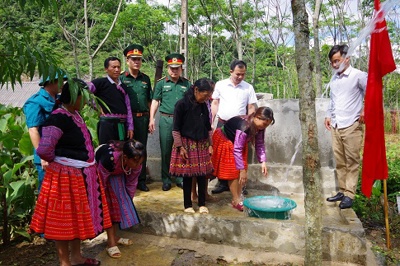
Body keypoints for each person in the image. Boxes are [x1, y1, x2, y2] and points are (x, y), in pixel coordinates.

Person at [30, 79, 112, 266]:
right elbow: (44, 149)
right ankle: (65, 261)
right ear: (74, 96)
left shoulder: (74, 114)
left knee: (76, 219)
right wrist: (62, 164)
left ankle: (76, 257)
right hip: (66, 176)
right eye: (83, 97)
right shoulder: (58, 117)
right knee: (63, 220)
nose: (85, 102)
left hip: (80, 174)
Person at [324, 44, 367, 209]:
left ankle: (350, 194)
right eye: (332, 62)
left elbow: (373, 92)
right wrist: (328, 115)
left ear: (347, 58)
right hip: (336, 124)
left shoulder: (359, 76)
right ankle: (342, 191)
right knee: (340, 161)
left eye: (337, 61)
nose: (335, 65)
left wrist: (365, 110)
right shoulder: (334, 79)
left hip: (352, 124)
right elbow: (333, 100)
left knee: (352, 161)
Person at [212, 107, 274, 211]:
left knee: (243, 168)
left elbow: (259, 144)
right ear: (257, 118)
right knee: (233, 171)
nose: (265, 127)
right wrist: (241, 170)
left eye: (267, 125)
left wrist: (263, 162)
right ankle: (236, 200)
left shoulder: (260, 127)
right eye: (264, 124)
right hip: (225, 140)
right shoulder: (244, 126)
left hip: (238, 144)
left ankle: (239, 197)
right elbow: (237, 150)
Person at [210, 59, 258, 194]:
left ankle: (241, 185)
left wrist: (250, 125)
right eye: (238, 74)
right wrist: (211, 123)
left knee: (240, 155)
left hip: (240, 128)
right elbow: (215, 103)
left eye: (243, 74)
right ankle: (222, 183)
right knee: (221, 155)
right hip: (223, 124)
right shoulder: (221, 85)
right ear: (231, 71)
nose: (240, 77)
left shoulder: (248, 87)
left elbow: (251, 107)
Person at [169, 78, 214, 214]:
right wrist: (180, 147)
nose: (206, 98)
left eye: (208, 96)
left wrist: (210, 144)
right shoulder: (181, 105)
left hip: (201, 144)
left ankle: (201, 204)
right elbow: (175, 129)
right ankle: (187, 205)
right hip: (185, 144)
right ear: (195, 90)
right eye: (204, 95)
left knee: (202, 175)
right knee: (187, 176)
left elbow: (208, 127)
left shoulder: (204, 106)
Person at [96, 139, 145, 258]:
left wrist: (127, 200)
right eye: (135, 162)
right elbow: (100, 182)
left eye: (140, 162)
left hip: (117, 173)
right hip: (100, 174)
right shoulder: (109, 158)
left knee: (120, 205)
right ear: (125, 157)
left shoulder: (136, 162)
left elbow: (132, 182)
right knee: (109, 207)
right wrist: (100, 201)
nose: (138, 165)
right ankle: (111, 242)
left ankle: (114, 237)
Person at [149, 53, 191, 191]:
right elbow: (155, 101)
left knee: (181, 149)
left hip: (182, 121)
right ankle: (166, 179)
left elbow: (191, 103)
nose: (174, 71)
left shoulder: (186, 83)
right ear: (168, 68)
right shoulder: (161, 83)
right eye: (172, 68)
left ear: (181, 69)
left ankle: (179, 178)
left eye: (177, 68)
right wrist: (152, 119)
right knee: (166, 150)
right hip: (166, 119)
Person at [23, 73, 66, 192]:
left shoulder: (59, 100)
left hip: (60, 153)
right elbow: (33, 129)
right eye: (61, 81)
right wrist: (43, 156)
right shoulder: (35, 102)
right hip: (46, 157)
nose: (63, 84)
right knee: (47, 191)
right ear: (51, 82)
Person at [120, 44, 152, 192]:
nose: (137, 62)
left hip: (142, 119)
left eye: (139, 59)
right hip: (127, 119)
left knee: (142, 149)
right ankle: (125, 177)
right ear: (127, 60)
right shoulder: (121, 78)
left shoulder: (145, 79)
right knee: (126, 149)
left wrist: (151, 119)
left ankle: (141, 180)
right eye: (133, 59)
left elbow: (149, 100)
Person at [87, 57, 134, 145]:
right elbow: (83, 91)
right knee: (106, 151)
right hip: (106, 125)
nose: (117, 70)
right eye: (113, 67)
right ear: (106, 69)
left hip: (121, 125)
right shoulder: (100, 83)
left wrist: (130, 126)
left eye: (118, 67)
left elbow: (128, 107)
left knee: (121, 151)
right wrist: (95, 105)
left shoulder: (123, 87)